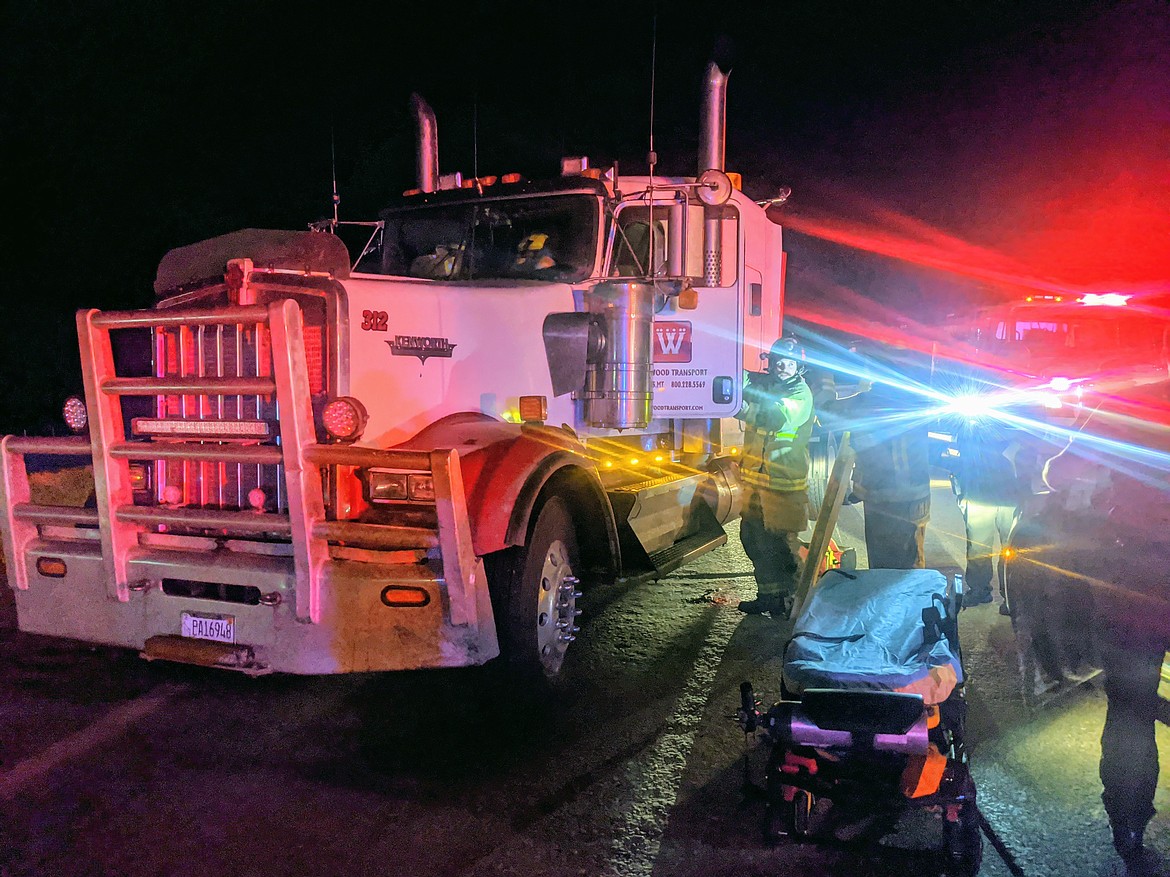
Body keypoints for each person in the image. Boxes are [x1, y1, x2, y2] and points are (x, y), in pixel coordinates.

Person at [1007, 416, 1170, 871]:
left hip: (1139, 579)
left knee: (1131, 709)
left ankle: (1130, 822)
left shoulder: (1133, 403)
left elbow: (1055, 474)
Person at [736, 337, 815, 614]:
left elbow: (775, 418)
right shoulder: (769, 384)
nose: (783, 366)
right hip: (759, 483)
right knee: (753, 538)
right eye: (778, 361)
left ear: (799, 367)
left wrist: (737, 406)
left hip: (784, 484)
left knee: (781, 544)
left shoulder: (800, 394)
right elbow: (742, 379)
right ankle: (769, 596)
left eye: (789, 363)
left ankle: (794, 598)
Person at [847, 350, 933, 569]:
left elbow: (827, 412)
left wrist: (823, 382)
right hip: (904, 496)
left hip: (890, 497)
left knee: (887, 567)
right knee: (906, 568)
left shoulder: (866, 404)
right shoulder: (914, 400)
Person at [950, 424, 1032, 610]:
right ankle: (979, 589)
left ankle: (1011, 596)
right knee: (978, 547)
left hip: (1009, 496)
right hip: (978, 494)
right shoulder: (968, 423)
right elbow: (959, 451)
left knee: (1010, 550)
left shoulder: (1011, 417)